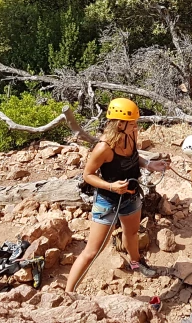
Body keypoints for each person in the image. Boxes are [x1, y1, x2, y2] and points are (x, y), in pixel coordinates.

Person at [65, 98, 168, 291]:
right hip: (108, 202)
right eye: (133, 122)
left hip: (130, 197)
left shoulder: (131, 135)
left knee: (131, 233)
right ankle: (69, 292)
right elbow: (88, 175)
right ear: (120, 123)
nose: (136, 126)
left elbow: (134, 156)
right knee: (93, 250)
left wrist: (149, 165)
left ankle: (136, 263)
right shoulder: (104, 148)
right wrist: (111, 186)